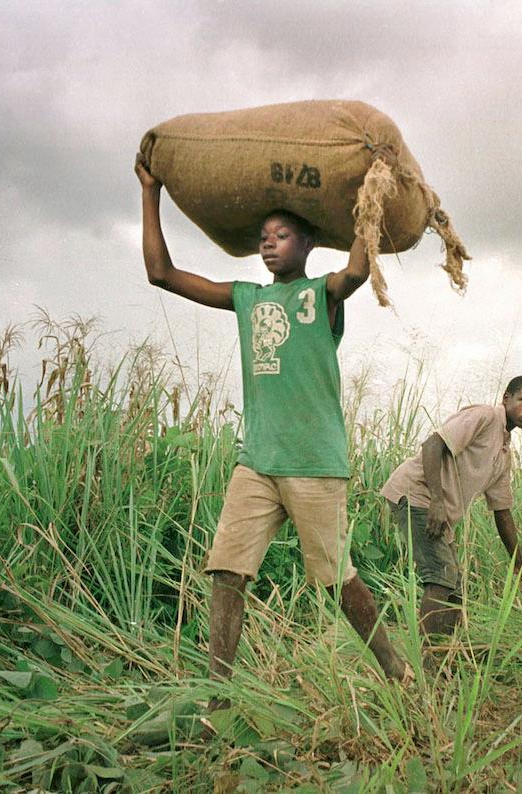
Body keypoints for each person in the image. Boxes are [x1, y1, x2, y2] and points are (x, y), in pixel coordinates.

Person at [135, 155, 410, 692]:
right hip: (257, 460)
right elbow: (160, 274)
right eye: (264, 235)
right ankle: (219, 696)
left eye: (283, 235)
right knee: (226, 572)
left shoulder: (321, 294)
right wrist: (151, 191)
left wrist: (369, 199)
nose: (269, 242)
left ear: (307, 246)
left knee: (335, 580)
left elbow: (356, 270)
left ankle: (394, 668)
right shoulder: (247, 298)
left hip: (312, 462)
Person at [382, 377, 522, 641]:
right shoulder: (486, 416)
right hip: (416, 494)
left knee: (454, 588)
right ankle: (427, 661)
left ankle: (447, 654)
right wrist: (437, 501)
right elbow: (433, 445)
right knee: (441, 576)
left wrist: (519, 565)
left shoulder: (503, 453)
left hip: (435, 506)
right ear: (506, 398)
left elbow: (502, 512)